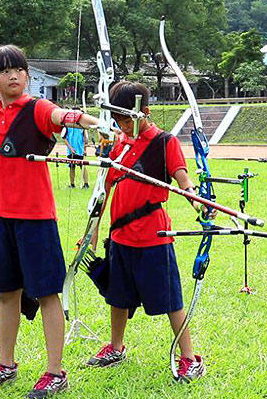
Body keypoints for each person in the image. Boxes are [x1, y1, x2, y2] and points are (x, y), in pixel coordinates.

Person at [0, 44, 110, 399]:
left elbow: (65, 117)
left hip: (36, 218)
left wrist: (97, 123)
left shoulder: (37, 109)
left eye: (20, 70)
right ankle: (5, 363)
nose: (14, 76)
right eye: (5, 71)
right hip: (0, 216)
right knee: (7, 293)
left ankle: (55, 372)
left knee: (47, 292)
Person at [82, 81, 207, 382]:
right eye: (118, 121)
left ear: (145, 112)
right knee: (118, 296)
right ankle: (115, 347)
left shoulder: (164, 142)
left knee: (170, 299)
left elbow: (182, 178)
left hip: (153, 236)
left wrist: (197, 201)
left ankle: (189, 358)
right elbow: (105, 188)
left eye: (126, 120)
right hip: (120, 235)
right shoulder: (119, 144)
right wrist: (95, 230)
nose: (122, 126)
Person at [61, 110, 90, 189]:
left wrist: (84, 149)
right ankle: (72, 184)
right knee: (72, 167)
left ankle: (86, 184)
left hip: (80, 151)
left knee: (83, 167)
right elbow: (64, 138)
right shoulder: (67, 125)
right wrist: (70, 148)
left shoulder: (82, 126)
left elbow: (85, 139)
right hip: (71, 151)